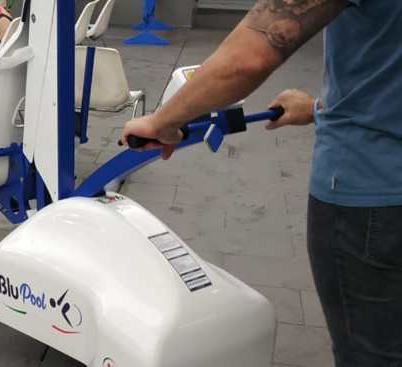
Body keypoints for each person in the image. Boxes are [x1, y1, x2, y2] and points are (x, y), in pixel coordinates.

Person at [122, 1, 402, 366]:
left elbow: (248, 59)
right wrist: (319, 108)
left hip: (369, 197)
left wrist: (162, 122)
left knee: (370, 355)